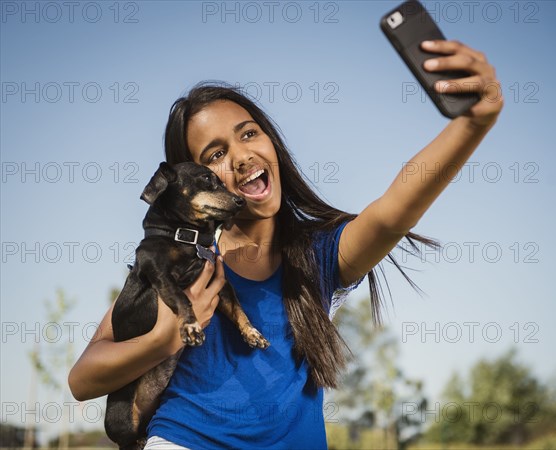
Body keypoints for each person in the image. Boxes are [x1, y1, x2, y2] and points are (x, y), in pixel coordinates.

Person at [69, 39, 503, 449]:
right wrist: (165, 338)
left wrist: (473, 122)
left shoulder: (319, 257)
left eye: (249, 133)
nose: (240, 157)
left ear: (271, 141)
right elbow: (83, 379)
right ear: (191, 183)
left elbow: (391, 214)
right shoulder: (183, 262)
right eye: (215, 155)